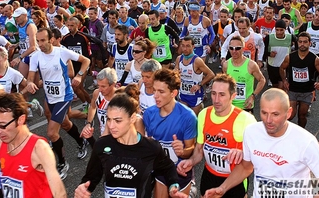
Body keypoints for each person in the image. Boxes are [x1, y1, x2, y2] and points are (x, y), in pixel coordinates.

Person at [203, 88, 319, 198]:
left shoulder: (305, 141)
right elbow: (246, 167)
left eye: (275, 114)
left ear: (288, 113)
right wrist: (223, 188)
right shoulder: (251, 132)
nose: (268, 120)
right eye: (264, 113)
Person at [75, 93, 187, 198]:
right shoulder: (102, 145)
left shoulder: (150, 148)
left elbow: (168, 167)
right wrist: (83, 189)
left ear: (132, 118)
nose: (111, 125)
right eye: (109, 119)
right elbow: (91, 177)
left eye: (117, 120)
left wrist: (173, 186)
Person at [177, 74, 256, 198]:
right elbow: (199, 150)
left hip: (235, 179)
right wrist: (191, 162)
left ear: (233, 96)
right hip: (209, 175)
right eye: (213, 93)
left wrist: (243, 152)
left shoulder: (246, 119)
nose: (216, 99)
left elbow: (256, 157)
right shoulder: (204, 114)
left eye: (222, 94)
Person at [25, 28, 90, 178]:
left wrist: (79, 76)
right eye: (38, 41)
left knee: (52, 133)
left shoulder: (62, 52)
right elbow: (30, 76)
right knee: (66, 124)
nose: (40, 44)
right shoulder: (35, 57)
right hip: (50, 96)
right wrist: (29, 83)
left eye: (42, 40)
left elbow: (86, 61)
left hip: (63, 96)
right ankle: (82, 142)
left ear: (51, 39)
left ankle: (62, 164)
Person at [143, 69, 197, 197]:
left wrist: (182, 151)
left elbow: (191, 149)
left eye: (161, 92)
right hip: (160, 169)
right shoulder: (149, 114)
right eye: (154, 90)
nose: (155, 95)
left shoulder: (188, 116)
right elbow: (151, 142)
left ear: (173, 93)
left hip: (180, 169)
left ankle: (191, 189)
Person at [280, 32, 319, 128]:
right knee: (291, 115)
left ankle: (301, 133)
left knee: (302, 115)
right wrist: (284, 80)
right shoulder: (290, 57)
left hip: (307, 91)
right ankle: (283, 133)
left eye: (305, 42)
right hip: (293, 90)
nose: (302, 44)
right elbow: (282, 68)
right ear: (297, 43)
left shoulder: (315, 59)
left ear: (309, 43)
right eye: (300, 42)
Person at [222, 35, 266, 113]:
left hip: (246, 106)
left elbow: (262, 80)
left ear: (243, 48)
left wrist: (253, 96)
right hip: (230, 106)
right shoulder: (226, 65)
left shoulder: (251, 65)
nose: (234, 51)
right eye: (231, 48)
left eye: (237, 48)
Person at [175, 36, 215, 115]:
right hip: (183, 94)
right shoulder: (179, 59)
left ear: (193, 46)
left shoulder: (197, 61)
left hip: (195, 96)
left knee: (194, 120)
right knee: (183, 118)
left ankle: (201, 106)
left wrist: (199, 85)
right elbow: (174, 73)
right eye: (183, 46)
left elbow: (211, 74)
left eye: (188, 46)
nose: (185, 49)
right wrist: (175, 74)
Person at [81, 67, 118, 147]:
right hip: (103, 134)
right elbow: (93, 107)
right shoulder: (97, 93)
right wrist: (88, 123)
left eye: (103, 86)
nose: (100, 89)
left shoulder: (119, 98)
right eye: (99, 86)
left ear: (113, 84)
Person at [263, 19, 296, 89]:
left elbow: (298, 48)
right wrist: (269, 54)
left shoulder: (290, 37)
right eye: (277, 30)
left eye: (281, 30)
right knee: (275, 86)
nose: (279, 32)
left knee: (282, 87)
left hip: (285, 67)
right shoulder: (269, 38)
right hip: (272, 66)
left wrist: (292, 56)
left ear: (285, 29)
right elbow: (263, 52)